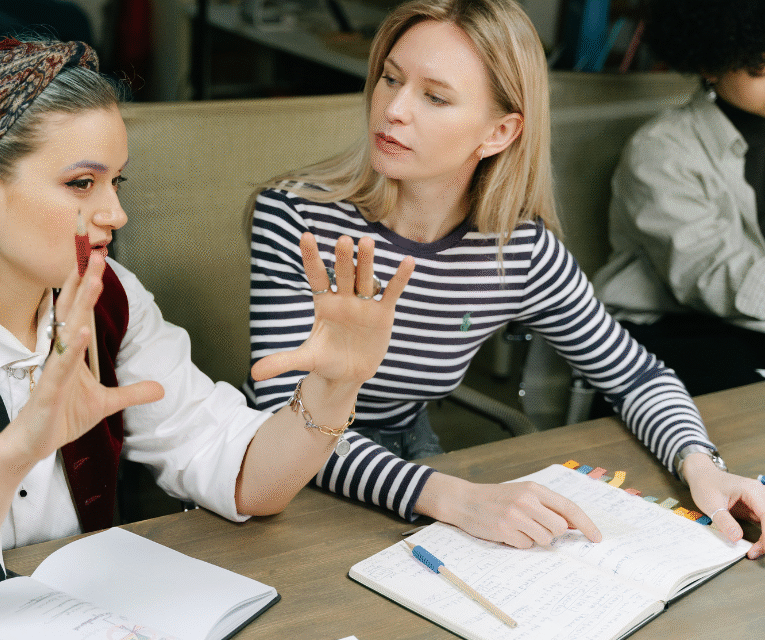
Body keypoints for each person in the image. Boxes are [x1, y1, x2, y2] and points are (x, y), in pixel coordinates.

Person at [0, 38, 414, 640]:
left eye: (114, 181)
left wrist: (334, 387)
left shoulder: (110, 297)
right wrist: (17, 450)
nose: (116, 213)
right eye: (81, 183)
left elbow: (244, 479)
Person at [245, 0, 765, 561]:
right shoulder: (295, 216)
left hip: (413, 460)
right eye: (390, 79)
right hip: (282, 470)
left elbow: (635, 376)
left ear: (499, 131)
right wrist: (454, 499)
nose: (393, 109)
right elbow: (285, 416)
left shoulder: (519, 249)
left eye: (434, 96)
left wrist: (701, 465)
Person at [592, 0, 765, 397]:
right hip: (667, 329)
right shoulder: (661, 150)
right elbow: (712, 273)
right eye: (761, 67)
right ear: (711, 65)